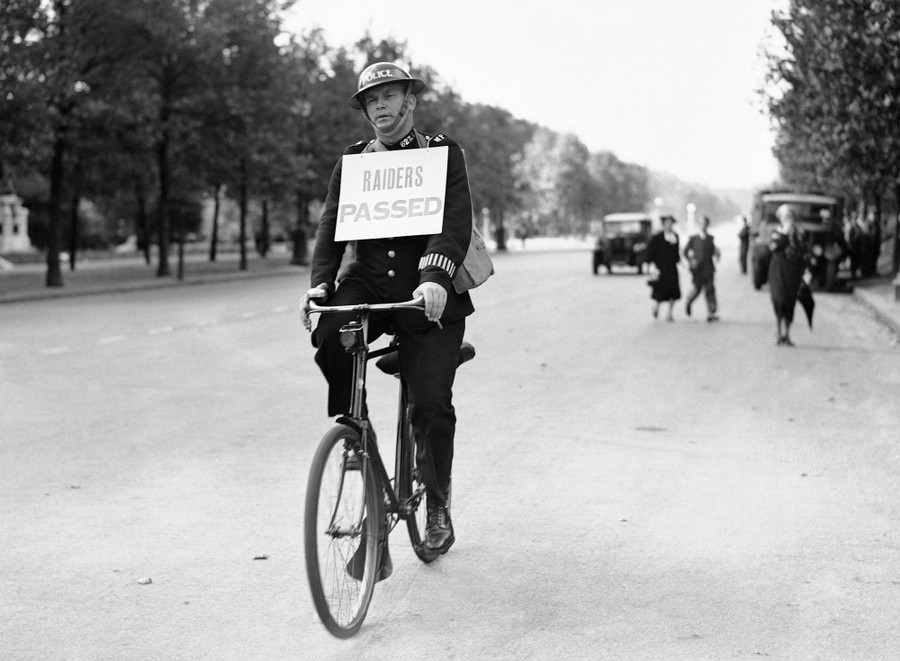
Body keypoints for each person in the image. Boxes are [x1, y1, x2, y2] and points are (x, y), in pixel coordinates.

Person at [300, 62, 475, 560]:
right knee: (331, 333)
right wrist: (318, 286)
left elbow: (454, 222)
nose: (379, 106)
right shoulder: (353, 161)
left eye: (389, 95)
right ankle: (354, 431)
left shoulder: (443, 153)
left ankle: (437, 505)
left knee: (431, 407)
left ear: (410, 101)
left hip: (428, 294)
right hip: (371, 283)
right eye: (370, 100)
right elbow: (331, 228)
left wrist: (436, 277)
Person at [768, 203, 809, 346]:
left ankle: (787, 334)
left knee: (790, 302)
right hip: (778, 271)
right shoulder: (776, 232)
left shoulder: (799, 233)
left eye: (790, 216)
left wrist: (806, 270)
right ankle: (778, 332)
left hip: (793, 272)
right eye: (785, 216)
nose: (787, 219)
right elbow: (774, 247)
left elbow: (804, 252)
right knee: (779, 300)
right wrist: (785, 233)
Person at [683, 215, 720, 321]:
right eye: (701, 223)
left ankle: (710, 313)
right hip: (698, 269)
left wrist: (717, 254)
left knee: (709, 290)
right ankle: (689, 301)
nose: (703, 225)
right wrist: (691, 261)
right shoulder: (694, 238)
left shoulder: (710, 238)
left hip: (708, 268)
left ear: (707, 225)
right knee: (697, 289)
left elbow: (713, 251)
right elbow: (685, 251)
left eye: (705, 223)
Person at [644, 214, 681, 321]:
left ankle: (669, 313)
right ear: (663, 224)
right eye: (667, 223)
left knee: (673, 291)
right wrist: (648, 265)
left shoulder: (675, 237)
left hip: (672, 268)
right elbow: (650, 252)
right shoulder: (657, 237)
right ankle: (656, 307)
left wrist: (680, 261)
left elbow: (676, 253)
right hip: (660, 268)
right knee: (660, 291)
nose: (669, 225)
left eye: (671, 223)